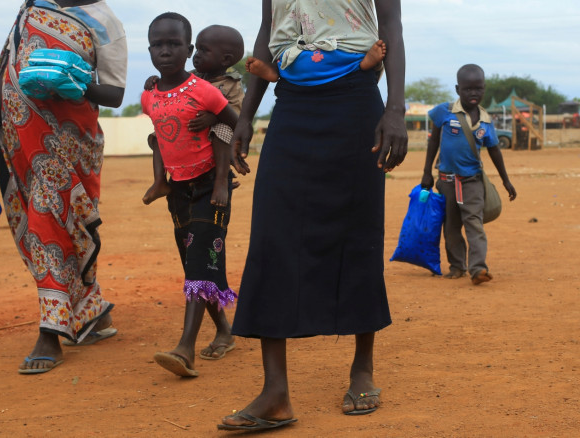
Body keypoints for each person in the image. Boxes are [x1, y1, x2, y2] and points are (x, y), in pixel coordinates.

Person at [219, 0, 408, 431]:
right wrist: (246, 114)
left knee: (357, 230)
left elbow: (392, 26)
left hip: (355, 100)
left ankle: (362, 367)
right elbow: (268, 29)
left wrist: (394, 109)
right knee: (272, 235)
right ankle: (275, 393)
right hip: (292, 104)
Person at [0, 0, 127, 373]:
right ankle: (93, 312)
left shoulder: (104, 22)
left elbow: (115, 94)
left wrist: (71, 80)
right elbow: (9, 74)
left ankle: (50, 332)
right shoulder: (31, 8)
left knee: (48, 226)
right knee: (55, 230)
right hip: (18, 141)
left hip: (67, 145)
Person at [141, 12, 240, 377]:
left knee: (199, 261)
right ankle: (225, 332)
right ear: (149, 49)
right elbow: (161, 134)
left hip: (211, 188)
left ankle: (186, 349)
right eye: (158, 45)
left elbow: (232, 124)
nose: (165, 51)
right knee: (196, 266)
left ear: (188, 49)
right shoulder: (149, 95)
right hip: (178, 189)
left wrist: (220, 183)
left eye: (173, 44)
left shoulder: (206, 90)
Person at [421, 64, 517, 285]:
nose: (474, 93)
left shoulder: (486, 121)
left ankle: (478, 269)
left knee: (474, 224)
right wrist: (427, 172)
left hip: (472, 182)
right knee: (452, 227)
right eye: (468, 89)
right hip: (446, 181)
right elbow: (433, 141)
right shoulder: (443, 112)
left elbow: (494, 150)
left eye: (478, 88)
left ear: (484, 88)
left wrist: (506, 180)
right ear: (458, 89)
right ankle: (457, 266)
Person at [143, 24, 246, 206]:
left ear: (225, 59)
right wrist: (155, 80)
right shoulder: (191, 77)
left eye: (204, 50)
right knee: (157, 134)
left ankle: (221, 180)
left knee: (221, 130)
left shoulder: (232, 85)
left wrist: (213, 117)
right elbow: (173, 83)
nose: (197, 54)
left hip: (217, 136)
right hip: (189, 132)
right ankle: (159, 180)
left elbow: (235, 116)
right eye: (197, 48)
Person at [245, 40, 386, 83]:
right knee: (286, 56)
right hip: (296, 55)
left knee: (356, 51)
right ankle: (275, 69)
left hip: (346, 56)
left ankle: (364, 63)